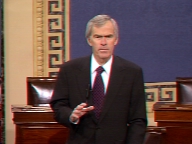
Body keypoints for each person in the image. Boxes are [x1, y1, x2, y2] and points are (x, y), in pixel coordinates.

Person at [50, 14, 147, 144]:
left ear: (116, 40)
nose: (103, 43)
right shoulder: (70, 70)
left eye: (108, 36)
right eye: (98, 37)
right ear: (89, 40)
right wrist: (72, 115)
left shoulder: (132, 72)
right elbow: (58, 106)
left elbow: (138, 120)